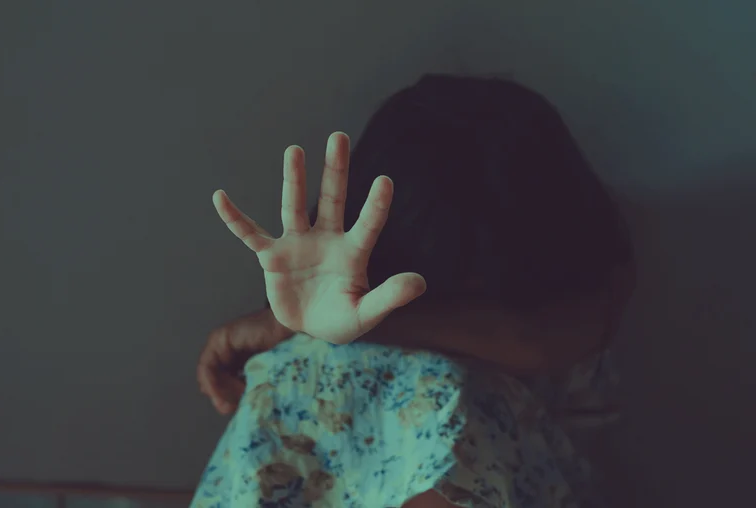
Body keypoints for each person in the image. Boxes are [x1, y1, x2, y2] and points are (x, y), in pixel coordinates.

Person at [194, 74, 635, 507]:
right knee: (309, 368)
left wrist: (336, 323)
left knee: (446, 395)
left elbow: (536, 337)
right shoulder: (309, 366)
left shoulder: (568, 310)